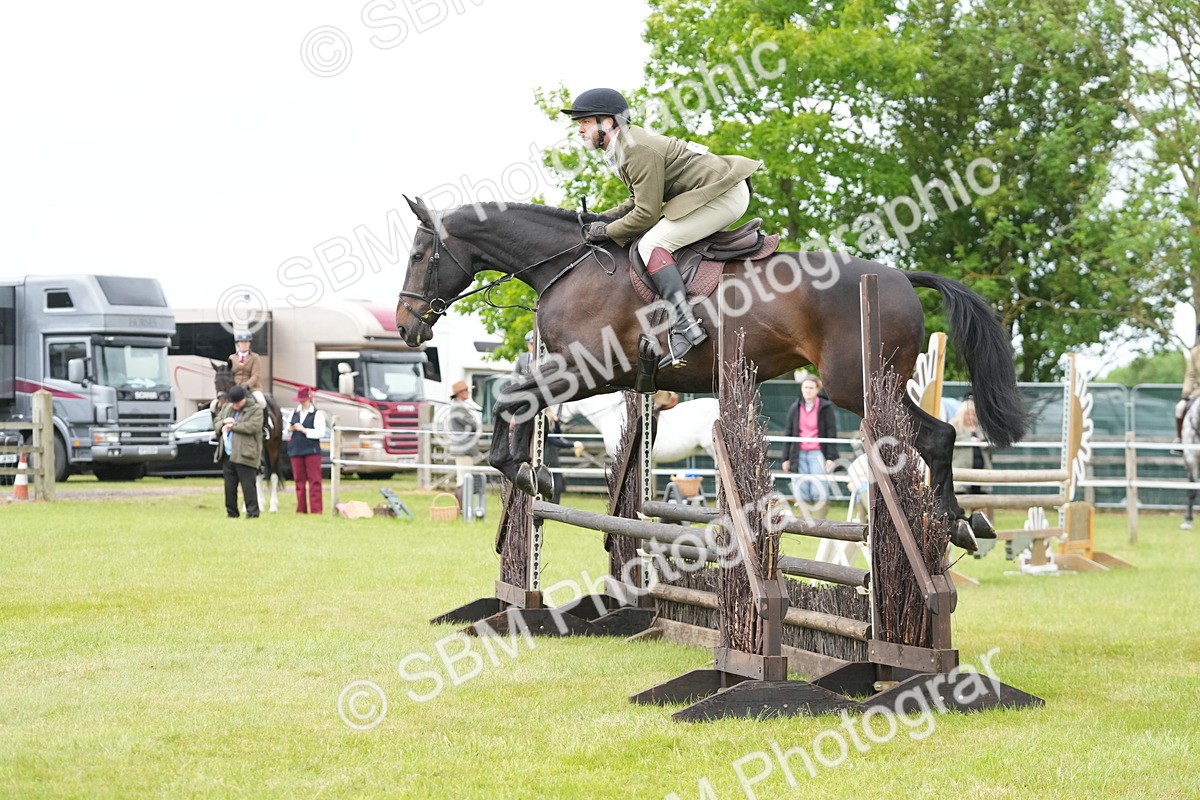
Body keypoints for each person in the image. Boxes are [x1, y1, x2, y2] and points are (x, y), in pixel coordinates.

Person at [561, 88, 762, 368]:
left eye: (584, 122)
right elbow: (636, 201)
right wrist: (600, 219)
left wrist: (607, 232)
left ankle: (685, 325)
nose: (579, 129)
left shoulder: (635, 149)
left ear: (607, 122)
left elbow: (646, 213)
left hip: (723, 196)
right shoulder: (624, 146)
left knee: (651, 244)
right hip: (715, 192)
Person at [781, 376, 840, 515]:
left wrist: (830, 457)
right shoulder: (795, 407)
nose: (807, 390)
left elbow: (832, 432)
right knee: (800, 487)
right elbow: (788, 433)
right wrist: (785, 458)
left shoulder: (825, 407)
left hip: (817, 452)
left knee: (818, 487)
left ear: (817, 389)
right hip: (798, 453)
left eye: (811, 388)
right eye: (805, 387)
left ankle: (820, 522)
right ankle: (805, 521)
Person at [214, 385, 264, 518]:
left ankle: (252, 512)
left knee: (248, 486)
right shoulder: (227, 408)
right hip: (227, 454)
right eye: (233, 403)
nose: (235, 406)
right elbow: (216, 422)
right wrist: (224, 422)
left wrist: (233, 426)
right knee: (229, 487)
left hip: (245, 454)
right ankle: (231, 513)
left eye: (238, 403)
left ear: (244, 399)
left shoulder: (256, 410)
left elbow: (252, 426)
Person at [286, 386, 326, 515]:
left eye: (304, 399)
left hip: (311, 450)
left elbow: (320, 433)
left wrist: (304, 430)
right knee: (299, 480)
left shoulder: (317, 413)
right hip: (296, 449)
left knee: (314, 480)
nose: (302, 402)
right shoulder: (294, 413)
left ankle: (316, 510)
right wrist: (291, 429)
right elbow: (285, 431)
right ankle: (301, 509)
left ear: (309, 399)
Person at [447, 380, 483, 491]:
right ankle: (462, 506)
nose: (468, 392)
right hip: (463, 448)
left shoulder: (460, 405)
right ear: (459, 393)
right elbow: (471, 424)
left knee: (463, 478)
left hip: (464, 447)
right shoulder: (458, 407)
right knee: (464, 479)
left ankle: (461, 506)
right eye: (466, 390)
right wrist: (475, 422)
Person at [950, 396, 991, 494]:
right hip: (960, 471)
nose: (971, 417)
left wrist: (985, 444)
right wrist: (969, 440)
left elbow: (990, 441)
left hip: (981, 472)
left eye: (973, 414)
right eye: (968, 414)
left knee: (980, 502)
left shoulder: (981, 428)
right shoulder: (953, 426)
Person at [1176, 325, 1200, 444]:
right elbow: (1190, 374)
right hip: (1198, 392)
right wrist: (1186, 389)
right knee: (1179, 407)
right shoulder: (1195, 353)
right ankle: (1180, 439)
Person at [229, 331, 266, 407]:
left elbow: (255, 375)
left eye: (246, 342)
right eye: (242, 342)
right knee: (216, 404)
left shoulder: (255, 357)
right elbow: (230, 374)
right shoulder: (231, 358)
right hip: (235, 388)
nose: (244, 344)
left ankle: (265, 419)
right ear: (238, 343)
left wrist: (246, 385)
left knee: (261, 401)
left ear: (249, 343)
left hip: (251, 388)